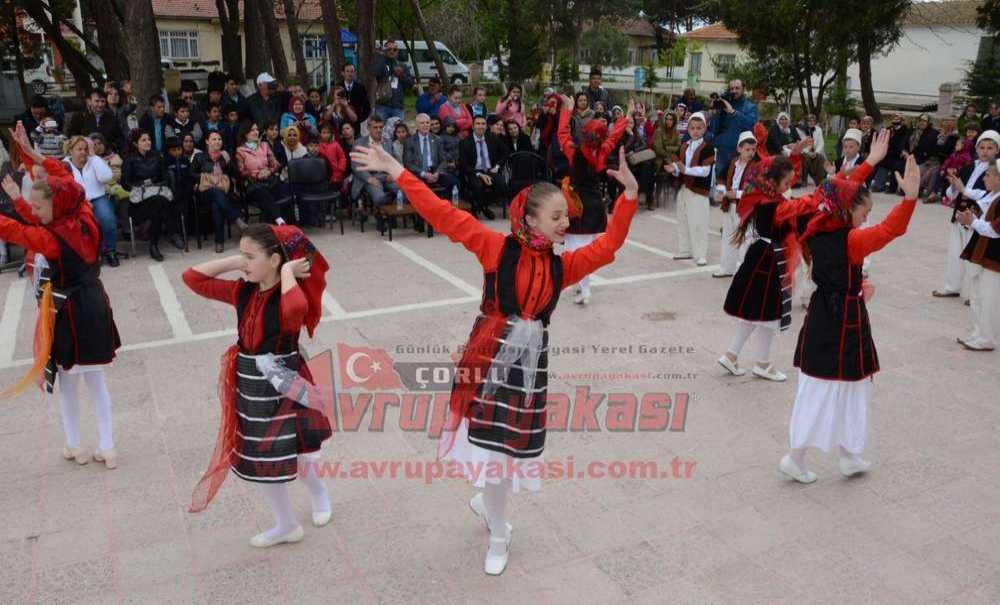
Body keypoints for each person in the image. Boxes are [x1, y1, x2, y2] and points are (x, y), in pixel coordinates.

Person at [349, 141, 640, 575]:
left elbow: (608, 247)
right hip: (487, 357)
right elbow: (444, 215)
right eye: (557, 216)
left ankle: (494, 517)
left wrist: (630, 197)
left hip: (529, 371)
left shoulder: (562, 267)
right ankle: (497, 525)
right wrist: (396, 169)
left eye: (567, 215)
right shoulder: (495, 248)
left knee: (505, 452)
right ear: (530, 217)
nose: (567, 222)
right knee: (491, 449)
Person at [182, 224, 333, 547]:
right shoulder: (243, 291)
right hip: (251, 383)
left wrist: (289, 275)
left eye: (251, 256)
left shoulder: (291, 293)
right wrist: (237, 262)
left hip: (286, 381)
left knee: (300, 453)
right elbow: (192, 278)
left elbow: (295, 310)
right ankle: (286, 524)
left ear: (276, 260)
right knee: (260, 457)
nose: (244, 262)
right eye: (243, 256)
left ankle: (319, 495)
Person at [781, 154, 920, 483]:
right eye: (864, 212)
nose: (866, 218)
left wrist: (857, 286)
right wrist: (911, 197)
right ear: (845, 209)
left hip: (826, 314)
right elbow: (891, 229)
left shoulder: (817, 227)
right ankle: (796, 456)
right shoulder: (851, 239)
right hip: (843, 319)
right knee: (827, 388)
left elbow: (834, 189)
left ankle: (848, 454)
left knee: (843, 387)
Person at [719, 130, 890, 382]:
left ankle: (731, 355)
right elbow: (824, 194)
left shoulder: (764, 197)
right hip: (771, 262)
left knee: (755, 312)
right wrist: (868, 163)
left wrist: (849, 173)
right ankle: (762, 363)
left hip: (760, 257)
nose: (790, 187)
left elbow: (828, 190)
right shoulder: (778, 207)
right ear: (773, 181)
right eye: (786, 184)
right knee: (768, 316)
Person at [0, 130, 121, 469]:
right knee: (97, 381)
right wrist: (32, 158)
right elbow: (65, 181)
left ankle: (74, 445)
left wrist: (19, 194)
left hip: (68, 313)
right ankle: (108, 447)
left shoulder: (50, 239)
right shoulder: (84, 213)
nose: (32, 211)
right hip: (96, 305)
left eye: (38, 206)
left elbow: (13, 229)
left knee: (68, 383)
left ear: (55, 204)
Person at [556, 94, 629, 305]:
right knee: (587, 249)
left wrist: (566, 110)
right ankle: (582, 286)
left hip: (577, 204)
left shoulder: (575, 152)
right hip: (595, 203)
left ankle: (583, 288)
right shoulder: (602, 152)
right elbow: (614, 136)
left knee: (573, 249)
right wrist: (626, 118)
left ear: (586, 133)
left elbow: (562, 134)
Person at [933, 130, 999, 299]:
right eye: (982, 147)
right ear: (976, 149)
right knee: (955, 253)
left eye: (990, 148)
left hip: (978, 218)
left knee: (973, 255)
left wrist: (964, 190)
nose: (985, 151)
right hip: (960, 215)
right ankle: (952, 286)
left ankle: (971, 294)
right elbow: (951, 194)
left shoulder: (995, 171)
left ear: (997, 150)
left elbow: (985, 195)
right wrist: (954, 186)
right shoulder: (968, 166)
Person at [955, 159, 1000, 350]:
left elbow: (995, 230)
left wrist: (972, 221)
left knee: (990, 298)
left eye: (988, 175)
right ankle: (978, 333)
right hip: (982, 252)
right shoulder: (992, 197)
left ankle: (988, 338)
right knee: (978, 295)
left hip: (994, 256)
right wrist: (969, 220)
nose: (984, 178)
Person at [665, 112, 714, 266]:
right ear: (688, 129)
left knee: (698, 222)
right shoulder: (684, 146)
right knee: (683, 219)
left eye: (699, 128)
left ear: (704, 129)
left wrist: (685, 169)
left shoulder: (708, 148)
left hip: (699, 191)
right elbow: (679, 165)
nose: (695, 131)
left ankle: (700, 254)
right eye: (692, 128)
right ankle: (685, 249)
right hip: (684, 188)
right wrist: (674, 169)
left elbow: (705, 171)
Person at [63, 135, 118, 267]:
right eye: (79, 149)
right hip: (76, 202)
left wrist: (94, 158)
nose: (83, 152)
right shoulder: (64, 165)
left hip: (98, 197)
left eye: (85, 149)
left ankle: (110, 250)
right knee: (77, 225)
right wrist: (81, 201)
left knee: (108, 219)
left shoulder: (93, 160)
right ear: (70, 151)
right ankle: (88, 254)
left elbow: (106, 177)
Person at [122, 130, 175, 261]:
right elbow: (125, 183)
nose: (148, 142)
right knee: (159, 205)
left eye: (149, 139)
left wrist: (153, 184)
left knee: (158, 204)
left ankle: (154, 245)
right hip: (139, 202)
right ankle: (167, 235)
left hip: (157, 195)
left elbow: (165, 178)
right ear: (136, 143)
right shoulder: (129, 160)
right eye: (143, 140)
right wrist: (141, 185)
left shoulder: (157, 156)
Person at [713, 131, 758, 278]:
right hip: (729, 205)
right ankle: (727, 267)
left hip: (744, 208)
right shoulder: (732, 162)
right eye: (747, 149)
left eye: (753, 149)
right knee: (728, 236)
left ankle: (744, 272)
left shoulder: (756, 167)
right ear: (739, 149)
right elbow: (721, 177)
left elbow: (755, 189)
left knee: (746, 239)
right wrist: (721, 191)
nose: (750, 153)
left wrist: (737, 194)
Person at [192, 131, 246, 253]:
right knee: (216, 194)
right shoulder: (199, 157)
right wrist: (207, 176)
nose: (217, 142)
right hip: (204, 192)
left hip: (222, 191)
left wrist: (229, 162)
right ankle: (236, 219)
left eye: (219, 139)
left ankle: (219, 242)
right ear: (207, 141)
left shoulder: (224, 156)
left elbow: (236, 175)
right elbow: (191, 174)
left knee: (217, 204)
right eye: (214, 139)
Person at [235, 122, 286, 225]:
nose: (256, 132)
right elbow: (241, 172)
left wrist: (268, 171)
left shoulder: (264, 145)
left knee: (284, 190)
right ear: (246, 134)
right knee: (264, 194)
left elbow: (275, 164)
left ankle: (271, 225)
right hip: (253, 184)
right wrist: (257, 174)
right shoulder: (240, 151)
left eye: (257, 129)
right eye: (252, 130)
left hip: (269, 180)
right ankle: (280, 221)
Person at [709, 79, 759, 182]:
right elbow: (714, 129)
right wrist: (715, 113)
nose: (734, 91)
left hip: (739, 151)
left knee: (736, 181)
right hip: (722, 150)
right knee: (720, 181)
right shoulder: (723, 104)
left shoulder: (750, 107)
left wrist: (733, 112)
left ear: (743, 89)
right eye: (731, 88)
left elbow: (750, 124)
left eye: (737, 88)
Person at [459, 115, 507, 220]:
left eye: (483, 124)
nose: (481, 126)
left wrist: (497, 166)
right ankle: (482, 207)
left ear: (486, 126)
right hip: (475, 171)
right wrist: (480, 175)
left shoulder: (492, 138)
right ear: (473, 126)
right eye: (478, 124)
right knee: (478, 186)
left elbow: (505, 152)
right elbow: (463, 164)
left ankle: (482, 205)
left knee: (502, 184)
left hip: (490, 170)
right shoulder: (465, 142)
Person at [404, 113, 457, 193]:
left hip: (435, 172)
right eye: (422, 123)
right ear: (417, 125)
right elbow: (408, 163)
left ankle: (444, 204)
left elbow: (443, 160)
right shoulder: (410, 141)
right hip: (419, 173)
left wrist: (437, 173)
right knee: (418, 190)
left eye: (427, 123)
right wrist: (424, 174)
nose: (425, 125)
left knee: (454, 183)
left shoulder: (437, 140)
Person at [372, 41, 413, 121]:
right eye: (389, 49)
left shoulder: (402, 66)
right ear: (385, 50)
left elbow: (410, 84)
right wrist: (382, 57)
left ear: (397, 52)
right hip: (382, 105)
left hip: (397, 106)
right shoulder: (381, 63)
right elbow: (375, 72)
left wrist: (401, 75)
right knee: (380, 130)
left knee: (398, 131)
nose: (392, 51)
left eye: (395, 49)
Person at [872, 114, 910, 193]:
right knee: (881, 161)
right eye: (894, 119)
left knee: (896, 165)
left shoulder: (906, 131)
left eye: (898, 120)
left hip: (898, 155)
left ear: (902, 121)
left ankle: (892, 188)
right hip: (888, 153)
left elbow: (902, 145)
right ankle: (879, 186)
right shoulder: (888, 130)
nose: (895, 121)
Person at [795, 113, 825, 187]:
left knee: (820, 158)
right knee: (806, 158)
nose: (811, 122)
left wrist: (816, 152)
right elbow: (800, 144)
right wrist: (808, 152)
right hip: (805, 151)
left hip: (815, 151)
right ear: (806, 121)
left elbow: (821, 143)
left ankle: (819, 180)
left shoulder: (818, 129)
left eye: (813, 121)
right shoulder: (800, 130)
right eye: (809, 121)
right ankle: (804, 179)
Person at [338, 63, 371, 129]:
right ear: (343, 73)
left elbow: (367, 107)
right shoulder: (338, 87)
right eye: (347, 71)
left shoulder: (360, 88)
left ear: (355, 73)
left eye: (352, 71)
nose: (350, 74)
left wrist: (360, 119)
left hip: (356, 123)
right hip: (341, 123)